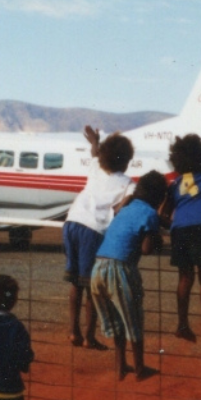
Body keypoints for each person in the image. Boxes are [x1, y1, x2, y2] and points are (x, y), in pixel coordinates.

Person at [62, 126, 134, 350]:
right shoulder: (129, 184)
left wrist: (95, 141)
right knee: (91, 287)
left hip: (72, 222)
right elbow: (123, 207)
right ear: (126, 161)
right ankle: (88, 337)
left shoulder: (96, 168)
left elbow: (94, 153)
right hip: (93, 230)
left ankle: (73, 331)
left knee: (75, 283)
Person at [91, 171, 167, 381]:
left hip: (98, 267)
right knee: (133, 319)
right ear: (159, 197)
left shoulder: (126, 209)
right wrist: (157, 236)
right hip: (120, 269)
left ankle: (120, 367)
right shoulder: (150, 213)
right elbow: (146, 248)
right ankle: (140, 368)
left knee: (116, 321)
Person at [161, 134, 201, 343]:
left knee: (184, 278)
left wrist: (176, 227)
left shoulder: (175, 184)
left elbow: (163, 215)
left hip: (180, 231)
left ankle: (182, 326)